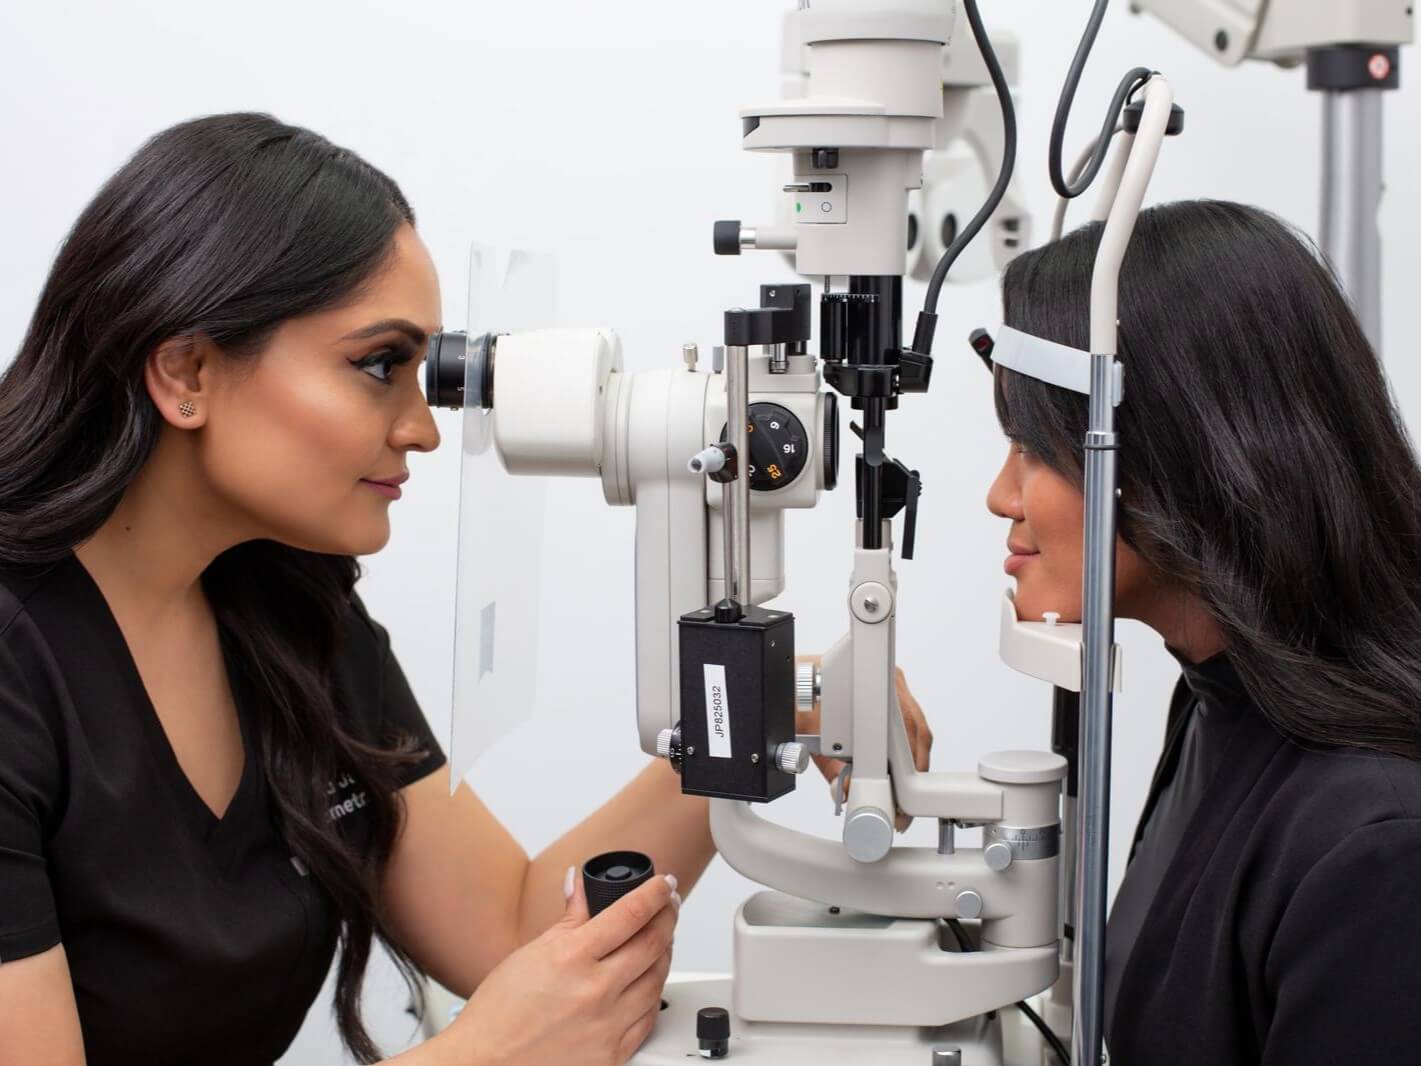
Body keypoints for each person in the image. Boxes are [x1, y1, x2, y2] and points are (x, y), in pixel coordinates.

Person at [0, 113, 934, 1066]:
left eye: (425, 374)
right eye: (378, 366)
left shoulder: (283, 615)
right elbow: (505, 1028)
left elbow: (510, 932)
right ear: (187, 371)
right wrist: (478, 1056)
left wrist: (763, 705)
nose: (423, 428)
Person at [986, 199, 1421, 1064]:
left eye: (1031, 446)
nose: (1000, 496)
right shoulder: (1218, 702)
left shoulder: (1376, 849)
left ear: (1167, 455)